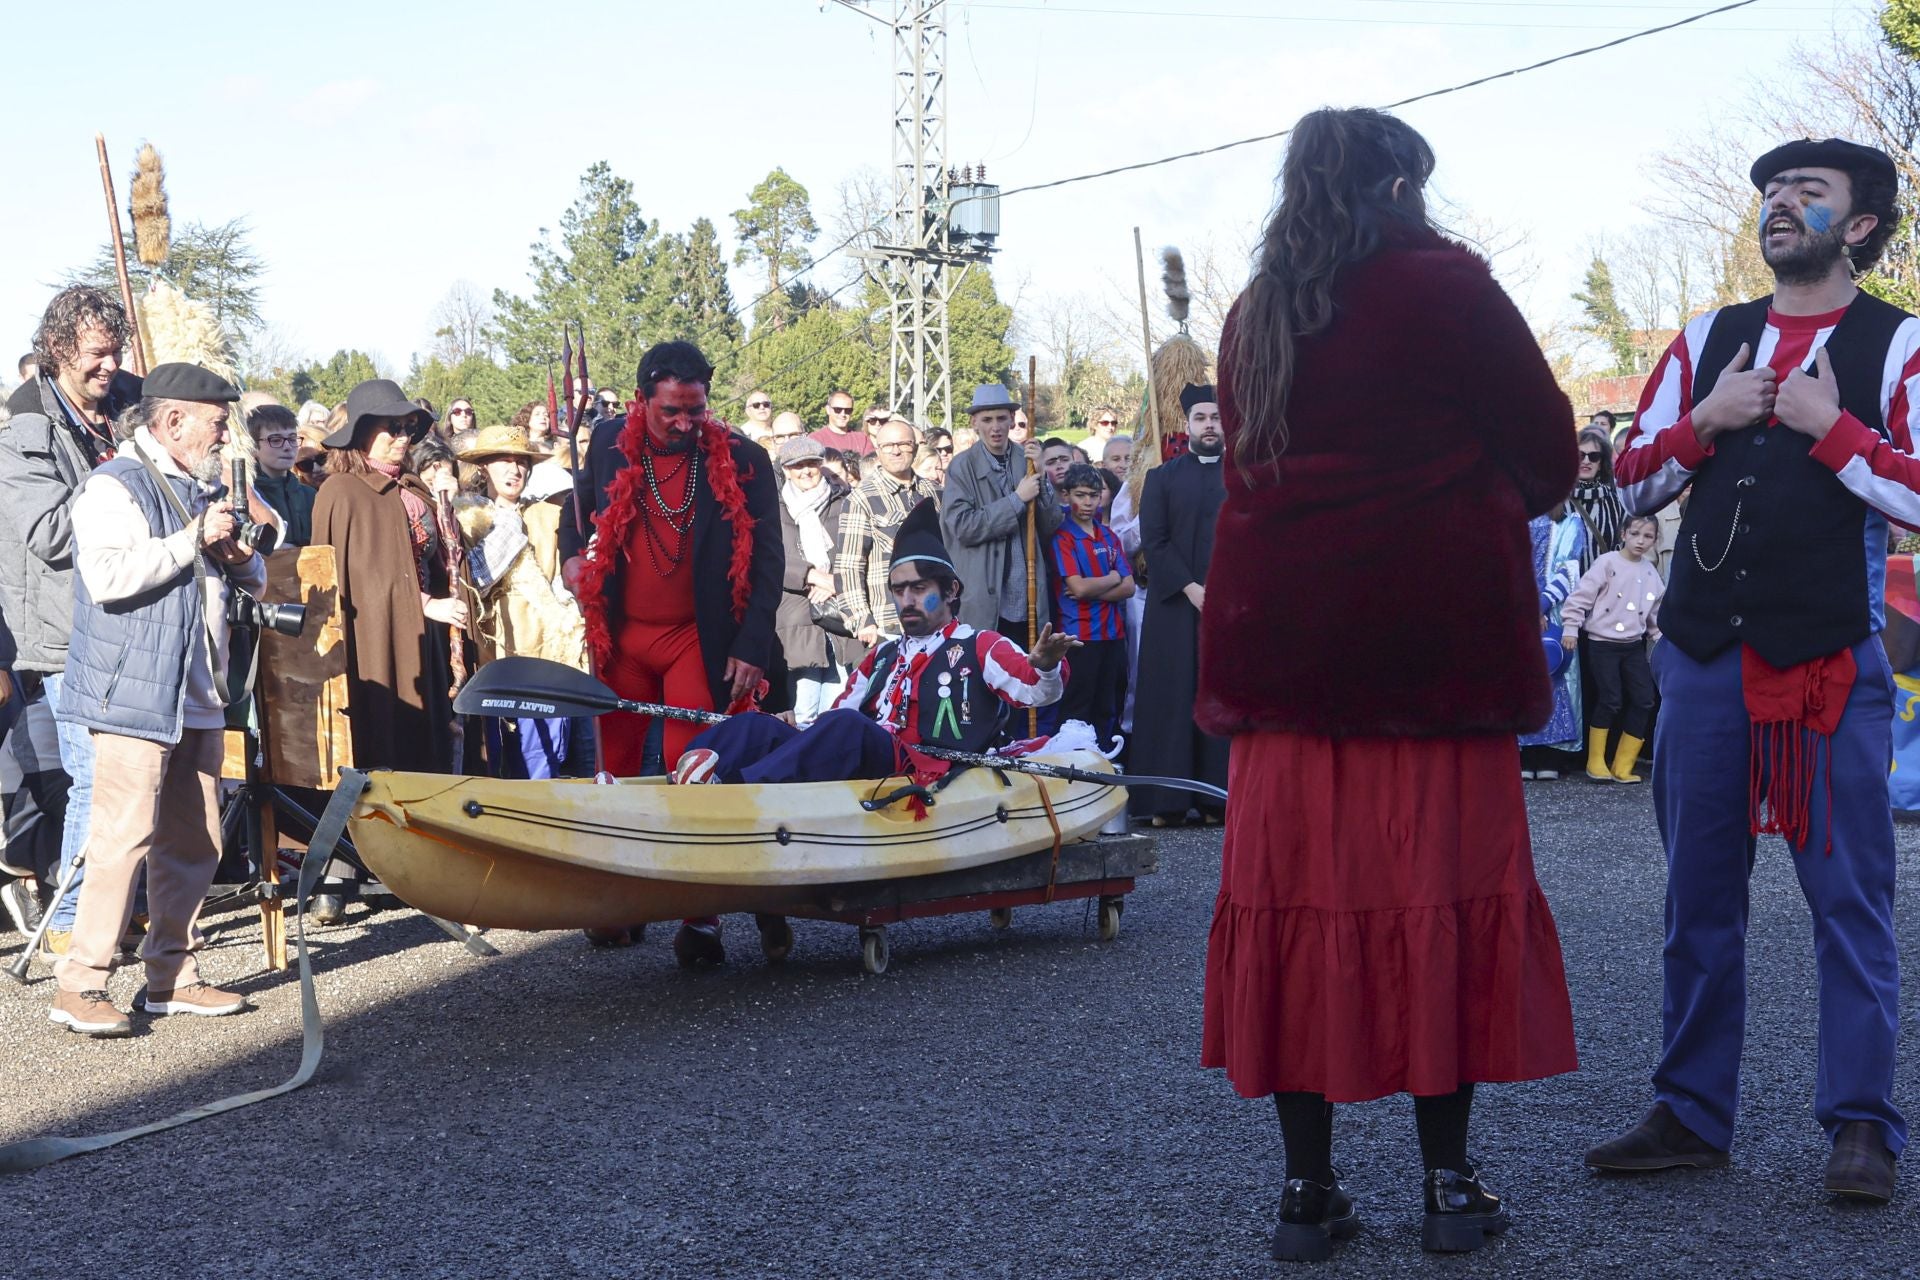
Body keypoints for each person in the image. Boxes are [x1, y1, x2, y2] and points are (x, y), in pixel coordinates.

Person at [1201, 107, 1578, 1262]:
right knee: (1437, 909)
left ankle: (1306, 1197)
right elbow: (1555, 453)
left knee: (1297, 912)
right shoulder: (1450, 287)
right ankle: (1450, 1187)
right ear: (1400, 183)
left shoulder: (1256, 311)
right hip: (1434, 663)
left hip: (1289, 673)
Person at [1587, 137, 1916, 1203]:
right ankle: (1689, 1108)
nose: (1779, 204)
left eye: (1806, 193)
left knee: (1851, 901)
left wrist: (1832, 430)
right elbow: (1615, 492)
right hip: (1699, 660)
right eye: (1772, 191)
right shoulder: (1705, 339)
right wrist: (1706, 422)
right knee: (1697, 898)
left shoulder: (1901, 346)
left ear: (1858, 223)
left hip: (1827, 666)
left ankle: (1861, 1122)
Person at [49, 364, 262, 1036]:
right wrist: (189, 540)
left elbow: (252, 577)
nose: (224, 438)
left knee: (195, 839)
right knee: (121, 837)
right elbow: (107, 577)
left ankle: (171, 975)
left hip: (197, 690)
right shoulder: (115, 484)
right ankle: (79, 985)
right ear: (173, 422)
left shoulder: (198, 486)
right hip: (132, 692)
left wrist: (232, 552)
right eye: (217, 424)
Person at [561, 341, 782, 967]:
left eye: (695, 411)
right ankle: (620, 904)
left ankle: (700, 915)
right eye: (671, 413)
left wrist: (753, 646)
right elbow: (571, 518)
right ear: (642, 402)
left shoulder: (744, 457)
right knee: (619, 774)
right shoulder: (606, 441)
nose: (685, 424)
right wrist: (573, 557)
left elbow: (768, 564)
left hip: (697, 639)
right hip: (621, 638)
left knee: (694, 770)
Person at [674, 499, 1075, 785]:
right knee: (755, 726)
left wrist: (1043, 663)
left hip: (918, 769)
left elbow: (1035, 690)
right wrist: (799, 724)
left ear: (951, 591)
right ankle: (674, 782)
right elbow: (836, 715)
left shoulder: (981, 645)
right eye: (899, 590)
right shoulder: (882, 654)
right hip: (865, 752)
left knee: (849, 727)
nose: (907, 600)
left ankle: (730, 792)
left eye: (919, 588)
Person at [0, 286, 142, 954]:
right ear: (57, 351)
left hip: (129, 621)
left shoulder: (125, 409)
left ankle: (117, 908)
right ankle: (70, 925)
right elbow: (51, 533)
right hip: (64, 632)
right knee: (94, 776)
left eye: (117, 350)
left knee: (135, 775)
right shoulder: (25, 429)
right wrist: (125, 477)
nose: (109, 365)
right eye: (95, 353)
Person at [310, 381, 463, 920]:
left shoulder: (415, 490)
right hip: (370, 645)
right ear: (361, 434)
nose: (402, 438)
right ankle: (346, 867)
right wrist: (424, 603)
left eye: (407, 429)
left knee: (422, 739)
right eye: (390, 428)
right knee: (374, 743)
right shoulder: (341, 493)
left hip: (422, 642)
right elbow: (356, 582)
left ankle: (417, 861)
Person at [456, 424, 587, 779]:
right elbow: (473, 580)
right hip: (495, 654)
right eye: (504, 461)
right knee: (498, 758)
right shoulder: (466, 516)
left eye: (521, 462)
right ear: (484, 467)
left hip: (546, 657)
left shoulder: (547, 515)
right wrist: (507, 529)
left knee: (546, 758)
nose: (515, 470)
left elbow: (564, 581)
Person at [1128, 385, 1230, 825]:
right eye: (1202, 418)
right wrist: (1190, 588)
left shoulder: (1243, 475)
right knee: (1172, 696)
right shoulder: (1162, 478)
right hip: (1174, 605)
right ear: (1187, 425)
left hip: (1230, 605)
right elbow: (1155, 539)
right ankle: (1165, 803)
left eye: (1216, 417)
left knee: (1219, 694)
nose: (1210, 425)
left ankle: (1218, 799)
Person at [942, 385, 1062, 643]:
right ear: (974, 423)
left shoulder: (1027, 459)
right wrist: (1017, 499)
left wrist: (1042, 475)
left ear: (1011, 420)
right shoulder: (961, 467)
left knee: (1026, 677)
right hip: (985, 602)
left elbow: (1051, 524)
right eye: (987, 420)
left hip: (1028, 599)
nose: (994, 427)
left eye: (1000, 418)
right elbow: (962, 527)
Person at [1560, 513, 1662, 784]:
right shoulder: (1607, 563)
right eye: (1636, 534)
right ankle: (1596, 761)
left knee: (1644, 699)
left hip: (1633, 646)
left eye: (1648, 536)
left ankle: (1623, 764)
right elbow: (1580, 598)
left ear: (1654, 540)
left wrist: (1660, 637)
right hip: (1602, 644)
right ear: (1623, 534)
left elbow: (1654, 611)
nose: (1641, 541)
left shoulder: (1650, 571)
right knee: (1610, 698)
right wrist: (1571, 627)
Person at [774, 438, 863, 725]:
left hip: (839, 613)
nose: (806, 471)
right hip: (797, 615)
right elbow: (774, 555)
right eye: (797, 466)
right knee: (803, 710)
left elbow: (856, 547)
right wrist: (812, 577)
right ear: (786, 470)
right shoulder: (775, 505)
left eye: (811, 463)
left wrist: (835, 582)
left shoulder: (843, 499)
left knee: (838, 710)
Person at [835, 415, 941, 649]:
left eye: (903, 444)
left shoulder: (934, 491)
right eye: (888, 446)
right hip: (890, 624)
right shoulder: (862, 498)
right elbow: (849, 565)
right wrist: (861, 620)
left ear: (914, 447)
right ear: (877, 449)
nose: (896, 451)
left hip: (937, 619)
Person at [1049, 463, 1133, 744]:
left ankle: (1103, 765)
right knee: (1076, 709)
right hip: (1078, 637)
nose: (1087, 502)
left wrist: (1097, 585)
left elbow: (1129, 587)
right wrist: (1112, 578)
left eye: (1093, 495)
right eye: (1081, 495)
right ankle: (1073, 769)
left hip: (1112, 635)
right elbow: (1077, 587)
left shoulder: (1109, 536)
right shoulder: (1063, 537)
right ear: (1066, 496)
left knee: (1107, 707)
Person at [1518, 502, 1588, 779]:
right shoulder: (1508, 517)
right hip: (1514, 609)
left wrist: (1541, 605)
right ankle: (1524, 754)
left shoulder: (1570, 524)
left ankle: (1550, 755)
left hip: (1554, 612)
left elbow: (1568, 570)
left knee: (1554, 673)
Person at [246, 403, 314, 547]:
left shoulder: (309, 495)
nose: (288, 447)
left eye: (292, 438)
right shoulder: (250, 495)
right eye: (275, 440)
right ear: (253, 447)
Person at [1570, 427, 1626, 574]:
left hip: (1605, 589)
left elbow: (1623, 550)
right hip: (1565, 592)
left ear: (1601, 463)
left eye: (1594, 456)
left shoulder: (1616, 503)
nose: (1586, 461)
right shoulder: (1556, 503)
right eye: (1580, 455)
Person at [811, 389, 874, 456]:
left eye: (848, 410)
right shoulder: (815, 440)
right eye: (838, 410)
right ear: (828, 410)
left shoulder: (862, 440)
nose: (843, 414)